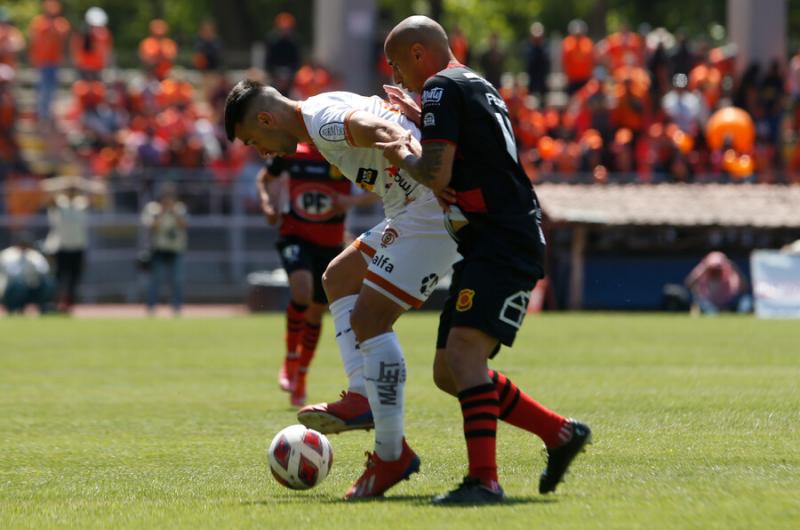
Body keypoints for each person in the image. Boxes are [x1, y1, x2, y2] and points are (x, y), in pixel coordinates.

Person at [380, 15, 591, 504]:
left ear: (418, 53)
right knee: (448, 370)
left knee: (463, 356)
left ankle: (484, 481)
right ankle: (559, 433)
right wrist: (423, 119)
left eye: (397, 65)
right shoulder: (474, 83)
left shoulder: (439, 87)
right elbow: (471, 152)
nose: (396, 77)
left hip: (502, 237)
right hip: (496, 238)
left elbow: (435, 173)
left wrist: (399, 151)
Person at [224, 79, 460, 499]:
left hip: (430, 209)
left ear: (265, 119)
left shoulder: (320, 120)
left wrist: (422, 163)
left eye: (253, 141)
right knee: (339, 278)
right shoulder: (319, 113)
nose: (261, 152)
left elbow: (379, 129)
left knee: (371, 318)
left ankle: (389, 449)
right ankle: (362, 396)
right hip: (410, 210)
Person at [259, 143, 378, 407]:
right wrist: (268, 204)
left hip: (330, 243)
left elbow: (381, 187)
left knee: (316, 311)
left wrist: (351, 201)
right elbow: (265, 178)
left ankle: (301, 374)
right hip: (295, 236)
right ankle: (290, 359)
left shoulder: (344, 155)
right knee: (301, 292)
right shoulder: (292, 151)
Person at [42, 176, 103, 313]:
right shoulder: (59, 203)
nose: (71, 192)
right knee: (58, 278)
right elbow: (44, 187)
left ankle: (68, 305)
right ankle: (54, 303)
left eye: (73, 190)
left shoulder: (81, 204)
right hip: (61, 247)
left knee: (74, 279)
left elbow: (100, 190)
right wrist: (64, 182)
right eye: (69, 190)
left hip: (78, 247)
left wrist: (81, 183)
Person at [141, 184, 188, 316]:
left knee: (177, 280)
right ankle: (151, 307)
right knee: (156, 280)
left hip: (176, 249)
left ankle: (177, 307)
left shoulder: (179, 208)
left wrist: (174, 213)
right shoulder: (153, 209)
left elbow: (184, 225)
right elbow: (152, 227)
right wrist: (161, 213)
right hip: (159, 249)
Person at [28, 0, 70, 123]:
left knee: (52, 90)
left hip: (54, 62)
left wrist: (52, 25)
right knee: (42, 89)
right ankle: (42, 115)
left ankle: (48, 115)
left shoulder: (61, 23)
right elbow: (33, 39)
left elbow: (63, 38)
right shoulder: (38, 21)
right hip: (41, 62)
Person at [0, 232, 54, 315]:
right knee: (18, 285)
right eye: (22, 244)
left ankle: (38, 307)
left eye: (26, 244)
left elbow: (44, 270)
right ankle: (14, 308)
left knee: (49, 283)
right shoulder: (7, 255)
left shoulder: (35, 255)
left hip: (32, 286)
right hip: (11, 287)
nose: (24, 246)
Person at [685, 251, 751, 315]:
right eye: (712, 268)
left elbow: (743, 287)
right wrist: (701, 269)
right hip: (708, 306)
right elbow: (689, 284)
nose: (715, 271)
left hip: (727, 304)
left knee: (746, 302)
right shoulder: (702, 275)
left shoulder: (729, 275)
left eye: (718, 268)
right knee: (706, 307)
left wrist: (735, 269)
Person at [71, 7, 112, 81]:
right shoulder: (82, 33)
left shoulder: (104, 34)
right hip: (86, 66)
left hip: (94, 66)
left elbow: (105, 50)